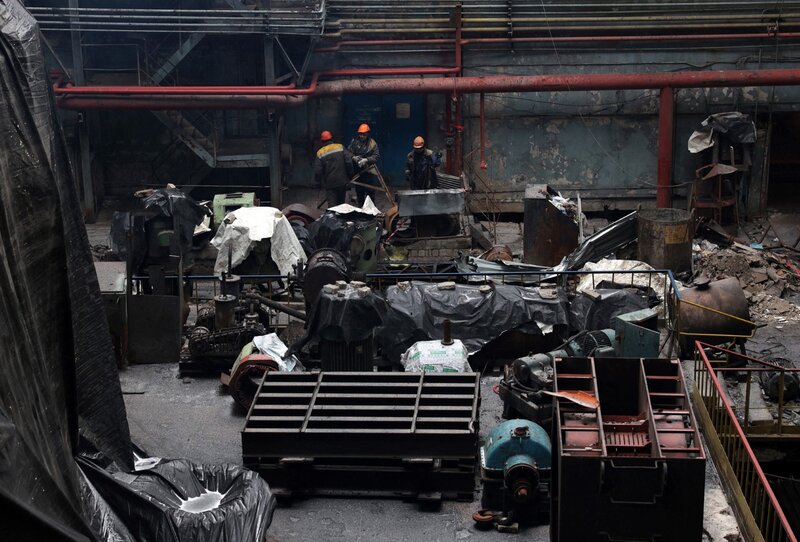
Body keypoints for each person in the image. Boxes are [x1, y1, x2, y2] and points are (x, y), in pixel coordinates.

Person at [314, 130, 353, 207]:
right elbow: (348, 162)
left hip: (330, 183)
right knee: (341, 204)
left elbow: (318, 171)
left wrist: (318, 183)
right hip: (342, 181)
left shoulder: (320, 153)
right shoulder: (340, 147)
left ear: (322, 141)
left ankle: (333, 215)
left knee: (332, 206)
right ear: (332, 139)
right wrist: (350, 176)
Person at [347, 123, 381, 206]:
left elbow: (376, 156)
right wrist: (353, 157)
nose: (361, 136)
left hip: (369, 171)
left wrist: (366, 160)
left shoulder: (372, 144)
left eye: (363, 134)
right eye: (360, 134)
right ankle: (361, 208)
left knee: (370, 191)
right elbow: (347, 152)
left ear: (368, 134)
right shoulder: (354, 142)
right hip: (358, 171)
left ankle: (371, 209)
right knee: (359, 191)